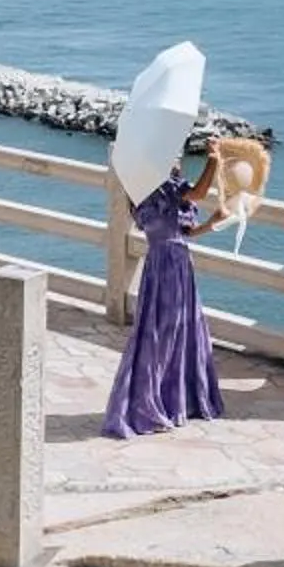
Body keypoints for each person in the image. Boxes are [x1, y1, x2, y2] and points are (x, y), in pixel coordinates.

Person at [101, 152, 225, 439]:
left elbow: (186, 232)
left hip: (177, 264)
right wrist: (213, 161)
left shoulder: (162, 190)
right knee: (162, 335)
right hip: (166, 266)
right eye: (173, 155)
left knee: (183, 332)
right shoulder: (154, 189)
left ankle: (175, 401)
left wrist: (212, 223)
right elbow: (199, 193)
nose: (178, 159)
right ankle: (148, 403)